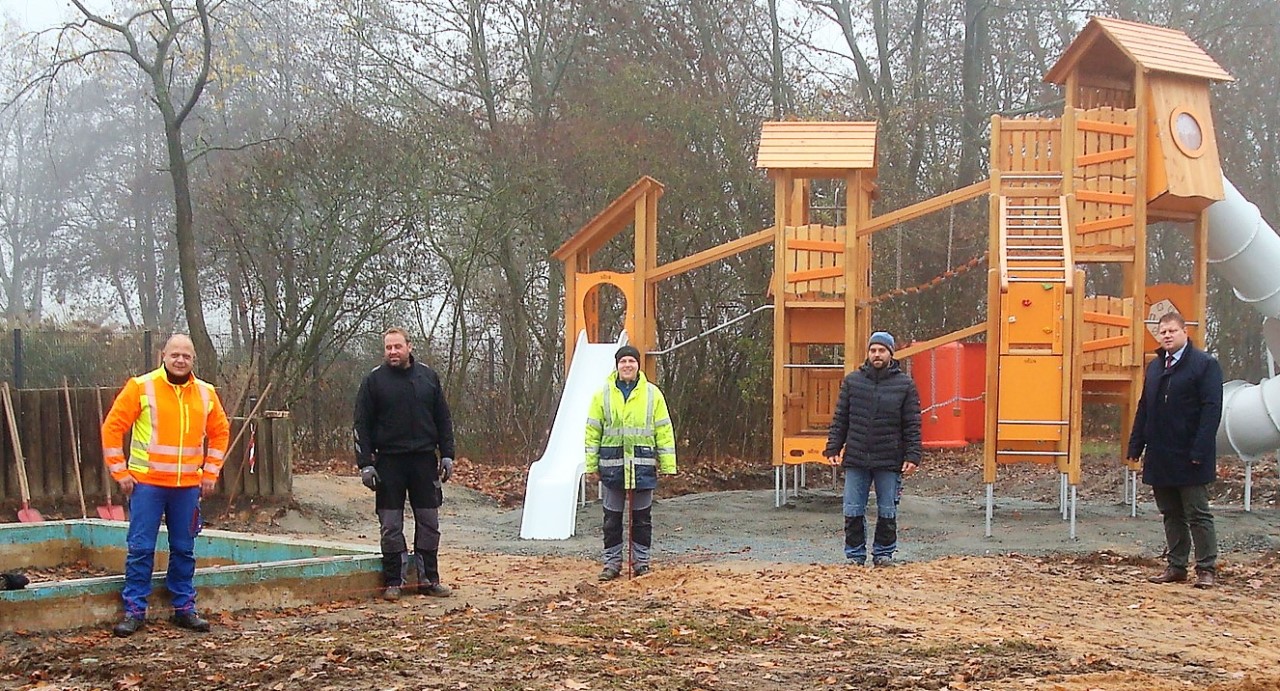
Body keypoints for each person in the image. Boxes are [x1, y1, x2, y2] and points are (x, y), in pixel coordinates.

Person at [101, 334, 230, 637]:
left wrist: (210, 473)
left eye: (186, 355)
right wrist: (120, 472)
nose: (180, 360)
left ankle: (184, 609)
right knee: (141, 549)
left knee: (184, 549)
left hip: (187, 487)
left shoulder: (206, 393)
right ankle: (134, 611)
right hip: (147, 485)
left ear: (193, 359)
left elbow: (220, 433)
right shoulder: (141, 387)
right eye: (175, 354)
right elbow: (112, 428)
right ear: (164, 355)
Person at [354, 328, 456, 601]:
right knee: (390, 525)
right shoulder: (373, 381)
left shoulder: (428, 377)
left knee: (429, 523)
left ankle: (428, 580)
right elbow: (360, 425)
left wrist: (448, 454)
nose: (393, 352)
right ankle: (393, 581)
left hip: (424, 461)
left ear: (409, 346)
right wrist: (365, 464)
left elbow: (443, 419)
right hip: (388, 463)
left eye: (397, 346)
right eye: (388, 348)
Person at [1127, 312, 1224, 589]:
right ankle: (1176, 566)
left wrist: (1200, 449)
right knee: (1171, 512)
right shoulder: (1156, 367)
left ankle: (1206, 569)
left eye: (1172, 330)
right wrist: (1136, 445)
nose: (1167, 335)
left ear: (1184, 333)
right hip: (1160, 453)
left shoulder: (1205, 365)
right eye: (1162, 331)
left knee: (1197, 512)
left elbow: (1211, 411)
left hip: (1191, 453)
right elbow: (1145, 408)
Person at [824, 331, 921, 567]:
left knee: (887, 509)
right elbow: (841, 418)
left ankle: (883, 554)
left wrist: (913, 455)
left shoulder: (905, 385)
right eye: (873, 350)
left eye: (881, 350)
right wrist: (833, 447)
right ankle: (855, 555)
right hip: (857, 456)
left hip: (889, 458)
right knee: (853, 508)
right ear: (868, 353)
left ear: (890, 353)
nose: (877, 354)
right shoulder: (853, 381)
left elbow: (912, 423)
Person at [585, 345, 677, 581]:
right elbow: (592, 432)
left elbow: (664, 430)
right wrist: (590, 465)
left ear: (638, 365)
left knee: (642, 519)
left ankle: (641, 563)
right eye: (623, 361)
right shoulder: (601, 394)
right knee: (611, 520)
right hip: (612, 467)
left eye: (631, 361)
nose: (627, 365)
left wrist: (668, 464)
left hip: (642, 467)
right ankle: (612, 564)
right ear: (617, 366)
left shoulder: (653, 394)